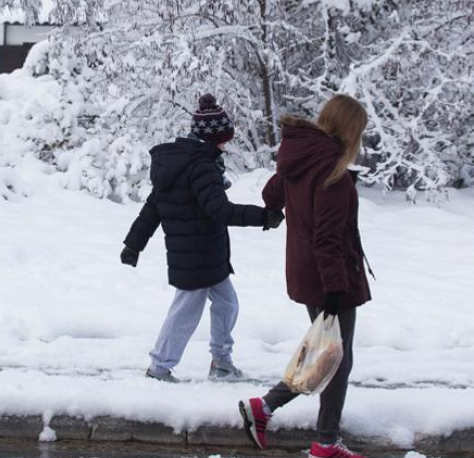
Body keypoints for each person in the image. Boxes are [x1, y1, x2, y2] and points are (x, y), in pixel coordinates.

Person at [238, 94, 372, 458]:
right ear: (350, 129)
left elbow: (271, 194)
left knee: (326, 352)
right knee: (335, 358)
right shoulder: (332, 173)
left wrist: (280, 207)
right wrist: (335, 289)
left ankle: (270, 409)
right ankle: (323, 440)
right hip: (329, 278)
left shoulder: (302, 156)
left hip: (307, 272)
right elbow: (327, 240)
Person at [121, 93, 285, 382]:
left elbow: (152, 208)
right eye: (224, 140)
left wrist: (133, 245)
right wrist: (263, 216)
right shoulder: (200, 166)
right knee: (185, 313)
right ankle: (159, 367)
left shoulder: (184, 163)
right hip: (195, 257)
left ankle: (221, 362)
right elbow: (220, 210)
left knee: (228, 304)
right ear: (214, 139)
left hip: (207, 255)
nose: (226, 145)